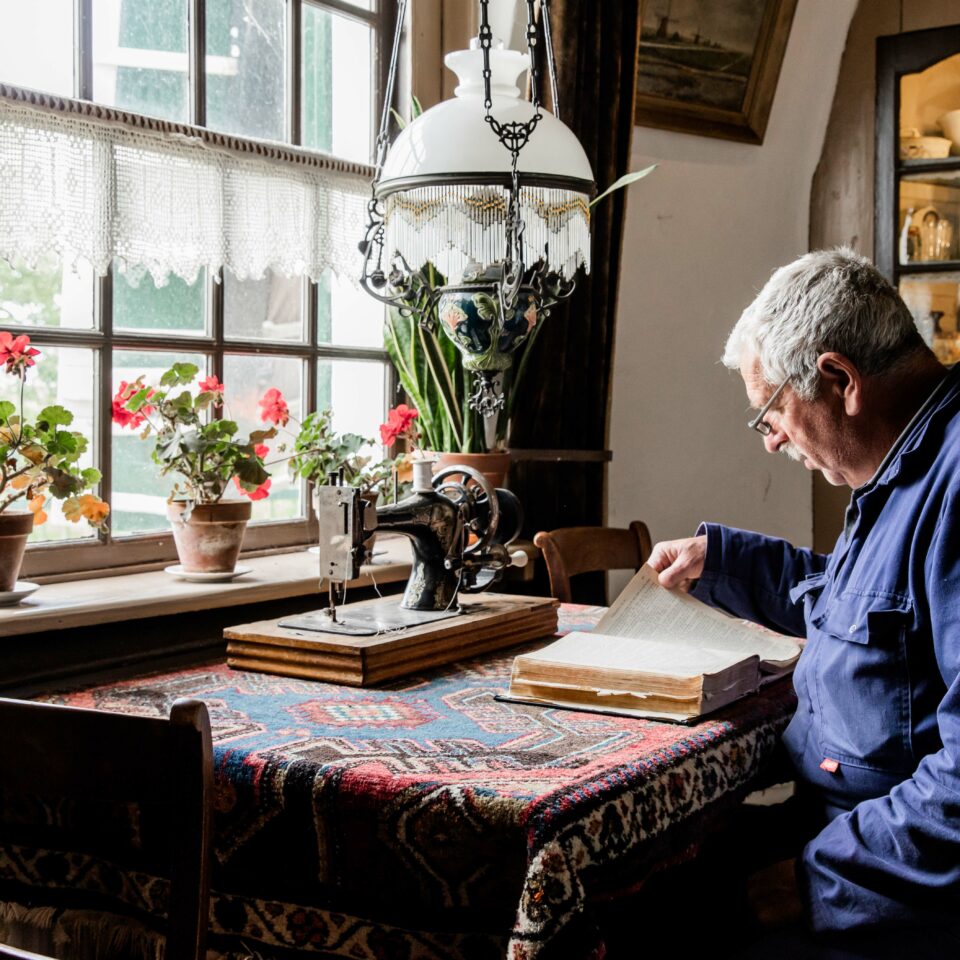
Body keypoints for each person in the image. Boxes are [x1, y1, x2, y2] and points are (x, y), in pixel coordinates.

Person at [647, 248, 960, 958]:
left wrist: (812, 883)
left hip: (895, 887)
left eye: (771, 413)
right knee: (640, 886)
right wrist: (723, 561)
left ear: (839, 379)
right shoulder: (904, 464)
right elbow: (875, 610)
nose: (772, 441)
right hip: (839, 830)